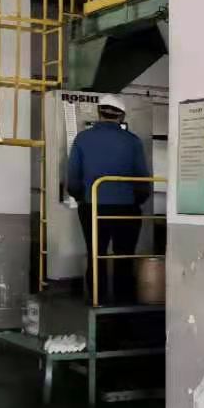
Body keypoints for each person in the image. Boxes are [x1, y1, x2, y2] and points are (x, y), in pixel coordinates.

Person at [66, 95, 150, 304]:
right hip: (126, 209)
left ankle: (98, 299)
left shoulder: (82, 139)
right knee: (124, 255)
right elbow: (143, 180)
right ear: (122, 117)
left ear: (99, 113)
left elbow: (73, 179)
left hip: (92, 207)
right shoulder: (132, 141)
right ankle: (123, 302)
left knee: (96, 253)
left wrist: (83, 199)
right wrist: (135, 202)